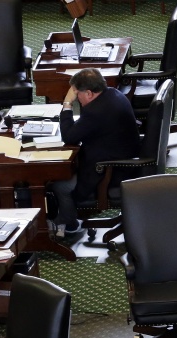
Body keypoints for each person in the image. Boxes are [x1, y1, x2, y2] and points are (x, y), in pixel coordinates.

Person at [51, 68, 140, 239]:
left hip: (110, 170)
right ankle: (67, 220)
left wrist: (67, 104)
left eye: (78, 95)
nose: (77, 99)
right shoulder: (113, 94)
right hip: (125, 156)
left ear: (89, 93)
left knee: (60, 185)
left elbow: (70, 137)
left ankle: (69, 223)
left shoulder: (95, 112)